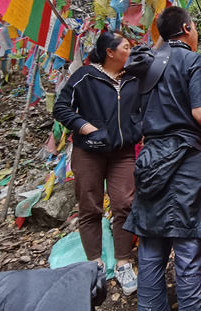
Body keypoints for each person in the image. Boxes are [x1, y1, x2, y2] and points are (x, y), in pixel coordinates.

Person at [122, 6, 201, 311]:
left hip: (150, 161)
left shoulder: (144, 66)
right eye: (194, 26)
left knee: (151, 250)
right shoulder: (194, 61)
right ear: (186, 28)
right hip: (188, 164)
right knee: (189, 249)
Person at [53, 31, 141, 295]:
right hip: (89, 152)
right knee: (90, 207)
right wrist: (87, 128)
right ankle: (95, 265)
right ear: (110, 53)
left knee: (124, 204)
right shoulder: (85, 76)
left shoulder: (134, 77)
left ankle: (123, 263)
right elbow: (61, 108)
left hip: (123, 152)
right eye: (126, 47)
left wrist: (138, 128)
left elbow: (144, 107)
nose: (130, 50)